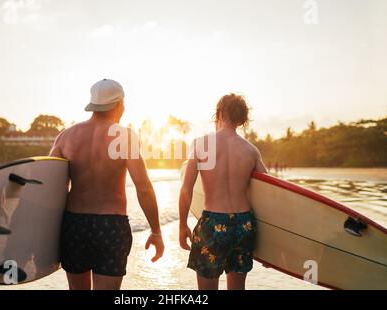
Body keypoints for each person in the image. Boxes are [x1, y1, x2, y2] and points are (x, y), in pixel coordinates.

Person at [49, 79, 164, 290]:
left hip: (74, 225)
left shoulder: (65, 137)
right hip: (111, 225)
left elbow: (50, 188)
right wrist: (156, 231)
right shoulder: (125, 137)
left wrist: (46, 233)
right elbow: (144, 188)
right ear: (119, 104)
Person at [179, 93, 268, 290]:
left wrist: (182, 224)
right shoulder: (251, 151)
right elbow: (269, 192)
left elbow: (186, 190)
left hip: (213, 224)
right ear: (242, 119)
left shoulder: (201, 144)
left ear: (218, 113)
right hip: (244, 224)